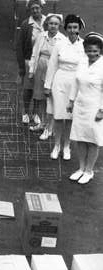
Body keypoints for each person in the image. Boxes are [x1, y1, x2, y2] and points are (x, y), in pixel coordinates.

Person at [44, 14, 86, 160]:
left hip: (76, 83)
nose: (72, 30)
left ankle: (67, 146)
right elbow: (52, 65)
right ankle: (56, 146)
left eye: (75, 27)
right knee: (57, 116)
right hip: (60, 81)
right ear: (66, 28)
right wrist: (47, 86)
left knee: (69, 117)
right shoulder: (59, 43)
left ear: (79, 28)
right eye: (69, 27)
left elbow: (86, 67)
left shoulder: (84, 45)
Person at [67, 33, 103, 185]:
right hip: (80, 105)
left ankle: (89, 171)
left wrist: (102, 110)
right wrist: (71, 101)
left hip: (95, 107)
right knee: (80, 138)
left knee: (93, 140)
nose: (92, 54)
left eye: (95, 51)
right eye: (89, 50)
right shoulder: (82, 62)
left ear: (100, 51)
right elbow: (76, 82)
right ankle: (81, 168)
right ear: (85, 50)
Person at [28, 13, 65, 135]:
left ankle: (49, 128)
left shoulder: (62, 39)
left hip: (54, 70)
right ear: (47, 24)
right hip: (41, 67)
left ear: (59, 25)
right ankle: (42, 123)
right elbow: (34, 53)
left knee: (51, 99)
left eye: (56, 24)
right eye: (51, 23)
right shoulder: (41, 36)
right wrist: (31, 70)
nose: (53, 26)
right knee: (40, 98)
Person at [16, 0, 46, 126]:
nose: (35, 10)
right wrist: (22, 67)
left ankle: (36, 113)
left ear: (41, 8)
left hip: (43, 62)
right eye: (32, 8)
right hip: (29, 61)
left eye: (37, 8)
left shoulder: (48, 22)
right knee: (28, 89)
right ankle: (25, 112)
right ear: (30, 10)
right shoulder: (25, 24)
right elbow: (19, 46)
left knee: (39, 89)